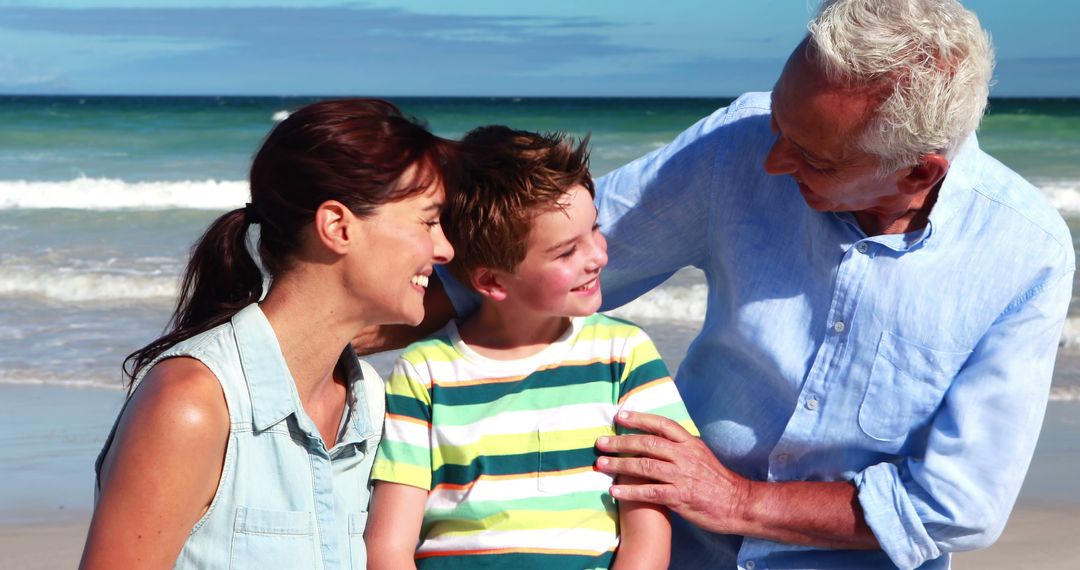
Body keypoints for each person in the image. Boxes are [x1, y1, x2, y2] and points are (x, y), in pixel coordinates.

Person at [430, 1, 1075, 568]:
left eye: (813, 157)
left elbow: (957, 505)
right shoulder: (737, 143)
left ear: (917, 173)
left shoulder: (1025, 254)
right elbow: (523, 264)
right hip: (673, 554)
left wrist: (739, 500)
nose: (772, 160)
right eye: (778, 125)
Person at [80, 99, 455, 570]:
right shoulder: (192, 404)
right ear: (338, 226)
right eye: (428, 220)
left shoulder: (372, 405)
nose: (445, 248)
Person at [364, 126, 699, 569]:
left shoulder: (624, 356)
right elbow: (389, 546)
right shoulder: (424, 372)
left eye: (594, 229)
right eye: (566, 252)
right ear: (490, 281)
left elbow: (648, 530)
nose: (597, 256)